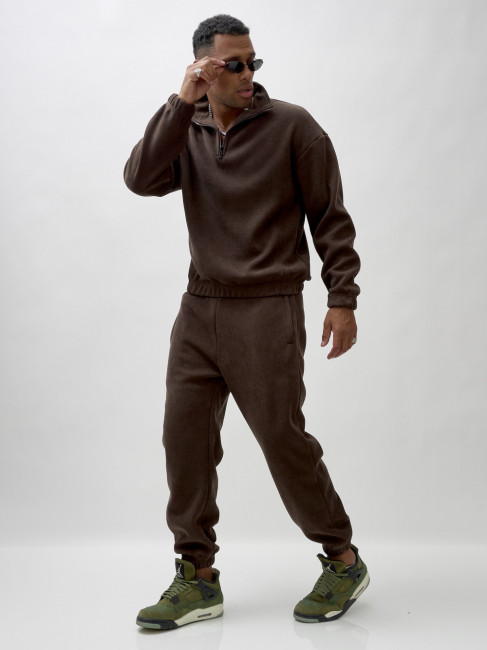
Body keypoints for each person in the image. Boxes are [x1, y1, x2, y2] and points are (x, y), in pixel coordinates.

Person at [124, 14, 369, 631]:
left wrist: (342, 297)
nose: (247, 74)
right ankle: (197, 576)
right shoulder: (187, 129)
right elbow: (140, 179)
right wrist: (180, 102)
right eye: (232, 64)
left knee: (282, 439)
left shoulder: (294, 126)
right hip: (199, 306)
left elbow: (330, 218)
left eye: (252, 62)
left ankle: (343, 560)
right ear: (203, 70)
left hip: (267, 306)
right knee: (184, 441)